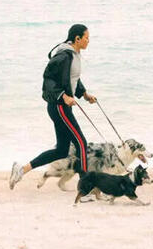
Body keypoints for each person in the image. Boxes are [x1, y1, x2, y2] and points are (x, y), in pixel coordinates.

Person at [9, 24, 97, 190]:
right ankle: (85, 186)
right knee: (81, 143)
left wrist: (84, 94)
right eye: (86, 37)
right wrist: (63, 96)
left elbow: (73, 78)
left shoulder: (75, 55)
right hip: (59, 106)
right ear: (77, 38)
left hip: (62, 107)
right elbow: (48, 79)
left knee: (62, 150)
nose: (88, 41)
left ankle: (21, 170)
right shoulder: (64, 55)